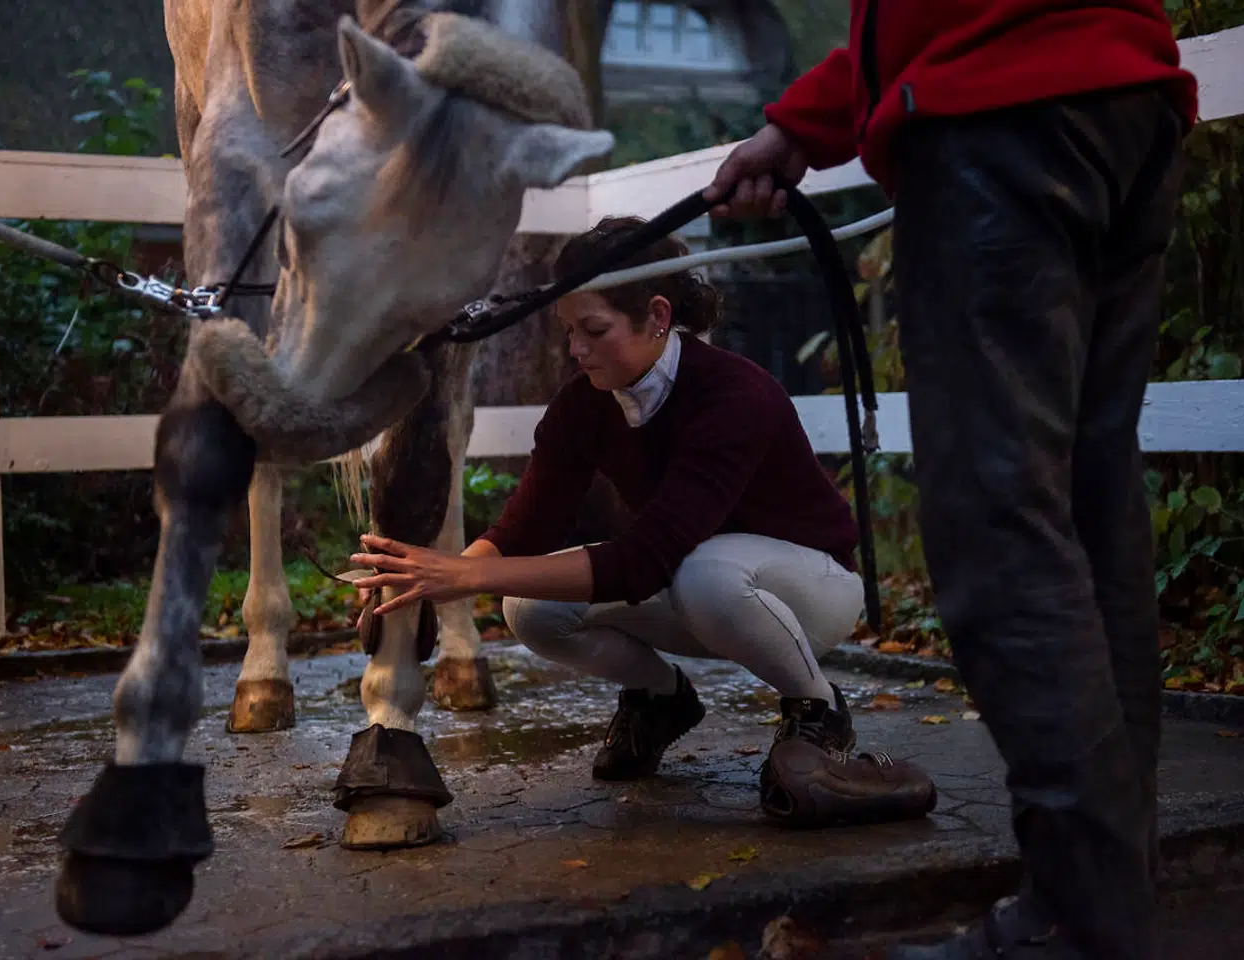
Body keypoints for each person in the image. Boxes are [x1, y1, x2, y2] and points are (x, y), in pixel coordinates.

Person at [700, 2, 1199, 959]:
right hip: (1121, 97)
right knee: (1092, 514)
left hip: (1003, 115)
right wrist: (799, 124)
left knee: (996, 521)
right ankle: (1110, 896)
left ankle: (1082, 923)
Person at [348, 216, 937, 828]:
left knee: (704, 574)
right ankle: (662, 699)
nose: (576, 351)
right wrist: (421, 581)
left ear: (657, 315)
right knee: (527, 605)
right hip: (700, 584)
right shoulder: (584, 404)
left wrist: (462, 579)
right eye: (569, 331)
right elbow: (525, 532)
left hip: (807, 590)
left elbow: (642, 560)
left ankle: (817, 707)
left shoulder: (733, 394)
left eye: (594, 331)